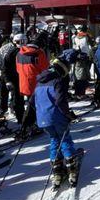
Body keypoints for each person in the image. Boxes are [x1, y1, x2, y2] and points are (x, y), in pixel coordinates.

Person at [32, 49, 81, 187]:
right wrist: (68, 114)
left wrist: (41, 111)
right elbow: (60, 101)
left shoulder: (39, 82)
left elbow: (31, 102)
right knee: (65, 139)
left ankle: (57, 168)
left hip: (43, 118)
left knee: (54, 140)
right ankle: (71, 166)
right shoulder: (57, 80)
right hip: (57, 116)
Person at [16, 39, 50, 131]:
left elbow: (18, 69)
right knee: (34, 105)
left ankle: (29, 124)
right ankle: (28, 124)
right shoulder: (39, 54)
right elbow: (45, 69)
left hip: (24, 83)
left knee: (31, 103)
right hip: (36, 83)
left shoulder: (19, 53)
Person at [0, 33, 27, 122]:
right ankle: (4, 109)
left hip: (9, 74)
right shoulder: (8, 48)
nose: (22, 43)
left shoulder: (21, 49)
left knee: (11, 94)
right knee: (9, 93)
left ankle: (8, 109)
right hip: (7, 74)